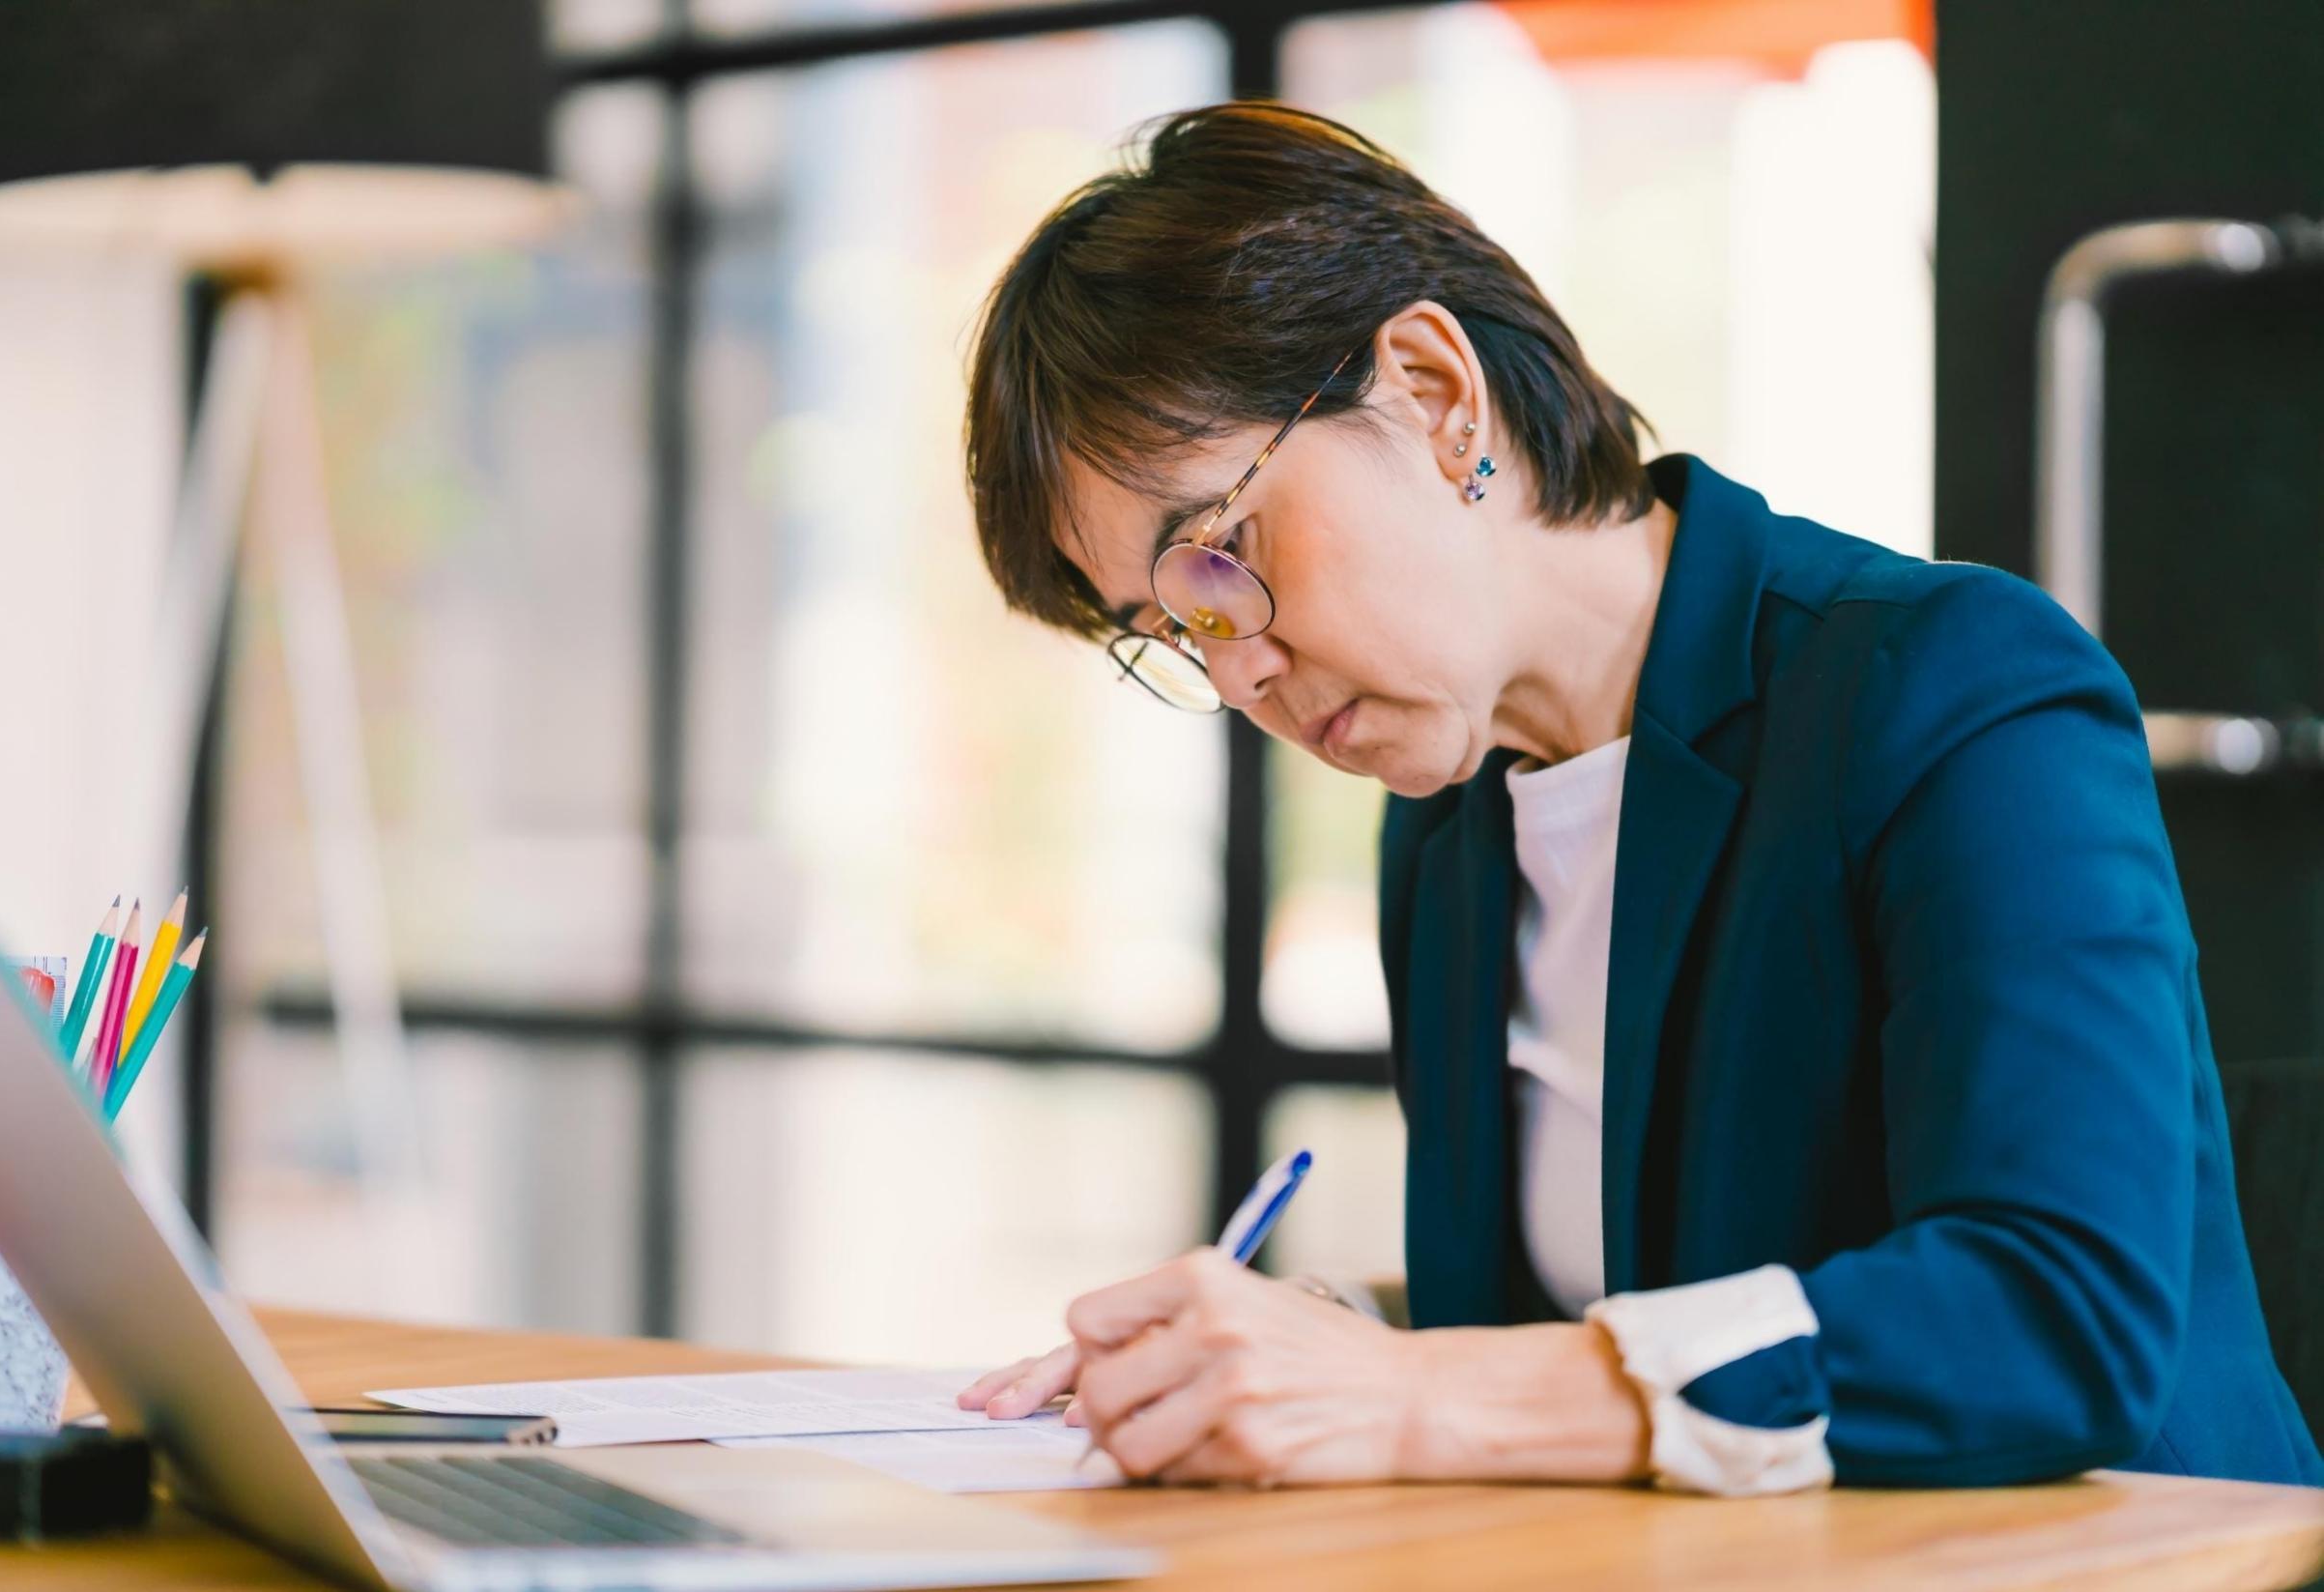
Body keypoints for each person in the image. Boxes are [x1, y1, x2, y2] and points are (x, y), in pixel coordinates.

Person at [951, 102, 2321, 1495]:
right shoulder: (1448, 826)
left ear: (1433, 393)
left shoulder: (1947, 685)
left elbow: (2052, 1314)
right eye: (1172, 632)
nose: (1238, 671)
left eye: (1216, 556)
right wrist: (1309, 1342)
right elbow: (1620, 1310)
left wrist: (1414, 1392)